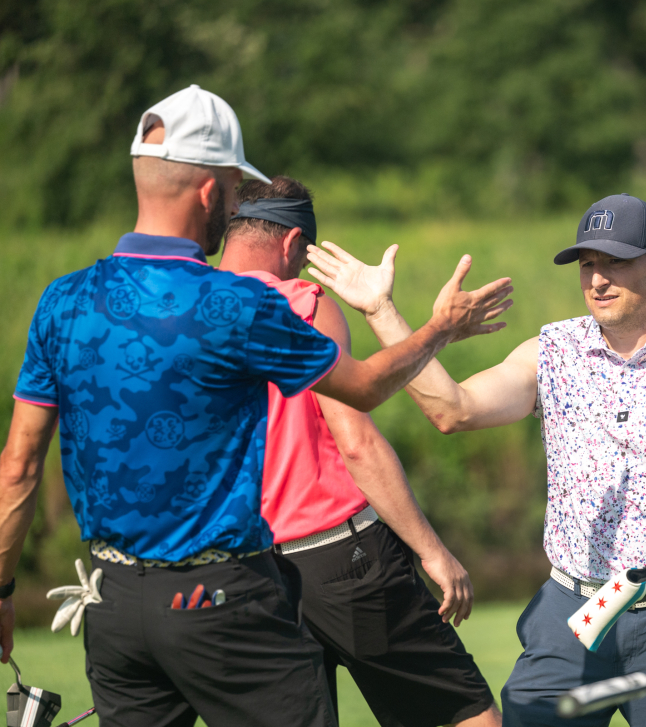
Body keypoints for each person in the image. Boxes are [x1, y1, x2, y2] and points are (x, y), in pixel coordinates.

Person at [0, 85, 511, 727]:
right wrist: (440, 327)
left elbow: (17, 468)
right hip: (222, 599)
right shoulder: (234, 305)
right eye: (234, 188)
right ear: (211, 191)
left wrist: (0, 591)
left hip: (112, 606)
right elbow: (363, 391)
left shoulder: (62, 300)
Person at [307, 193, 646, 726]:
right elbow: (453, 409)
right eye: (588, 265)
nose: (598, 280)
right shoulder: (552, 351)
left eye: (615, 262)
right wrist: (381, 311)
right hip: (571, 614)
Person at [218, 175, 502, 727]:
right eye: (303, 257)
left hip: (251, 575)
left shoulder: (190, 314)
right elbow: (355, 441)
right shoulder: (303, 304)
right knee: (469, 719)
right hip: (342, 560)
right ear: (291, 242)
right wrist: (432, 550)